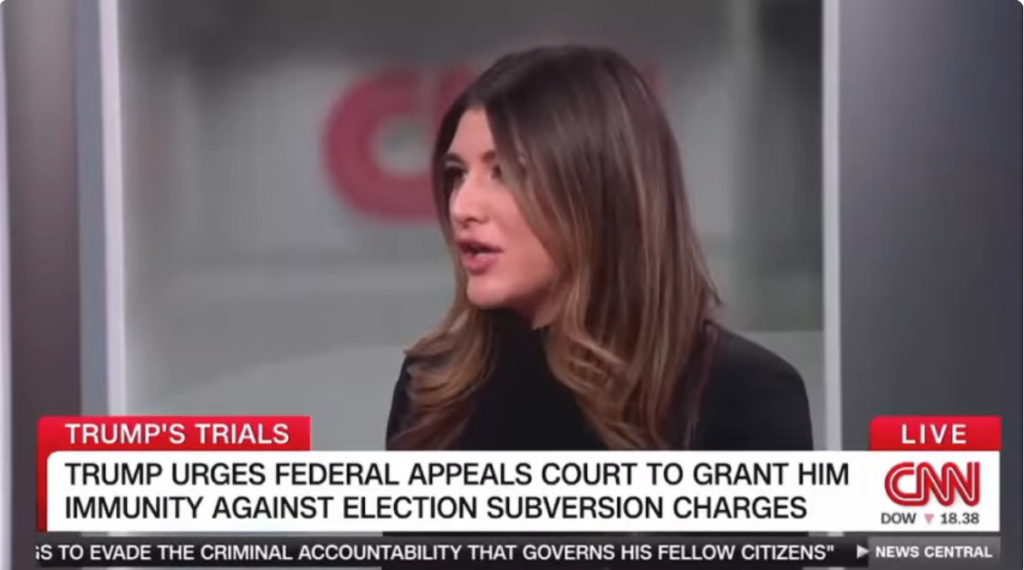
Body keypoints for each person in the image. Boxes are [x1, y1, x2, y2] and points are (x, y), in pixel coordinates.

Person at [386, 44, 812, 455]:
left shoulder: (742, 393)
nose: (462, 207)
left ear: (599, 192)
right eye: (457, 174)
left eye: (506, 173)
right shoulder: (433, 388)